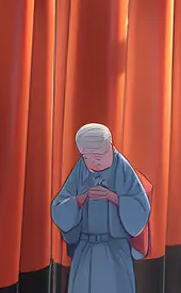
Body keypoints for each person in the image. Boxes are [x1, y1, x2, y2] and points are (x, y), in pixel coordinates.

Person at [52, 123, 152, 293]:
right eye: (87, 156)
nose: (94, 161)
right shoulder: (81, 169)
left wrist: (113, 197)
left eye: (99, 155)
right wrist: (78, 200)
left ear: (110, 147)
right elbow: (59, 206)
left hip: (115, 249)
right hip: (86, 250)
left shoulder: (123, 169)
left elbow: (141, 206)